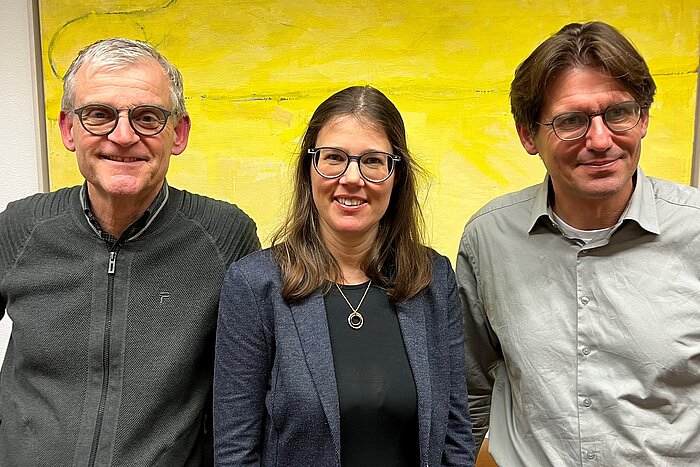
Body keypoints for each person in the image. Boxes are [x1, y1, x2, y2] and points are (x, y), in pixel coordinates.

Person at [0, 38, 260, 466]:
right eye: (99, 115)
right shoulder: (20, 228)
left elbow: (249, 394)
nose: (123, 137)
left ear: (178, 133)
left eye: (147, 117)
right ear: (69, 129)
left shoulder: (225, 236)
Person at [457, 20, 700, 466]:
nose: (601, 140)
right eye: (571, 121)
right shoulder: (488, 239)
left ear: (643, 118)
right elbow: (470, 389)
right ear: (529, 135)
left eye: (618, 113)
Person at [214, 85, 475, 466]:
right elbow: (236, 451)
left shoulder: (433, 280)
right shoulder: (255, 286)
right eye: (333, 157)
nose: (352, 178)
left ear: (396, 176)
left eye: (372, 160)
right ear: (309, 169)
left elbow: (456, 436)